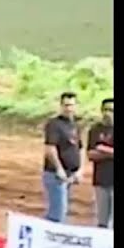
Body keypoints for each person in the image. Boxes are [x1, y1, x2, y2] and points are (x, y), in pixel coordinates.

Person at [42, 92, 83, 223]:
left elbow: (79, 148)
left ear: (76, 106)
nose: (68, 108)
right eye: (66, 105)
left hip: (70, 174)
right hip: (56, 174)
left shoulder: (76, 125)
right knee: (57, 212)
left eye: (71, 105)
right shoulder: (54, 124)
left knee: (63, 210)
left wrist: (80, 169)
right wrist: (59, 168)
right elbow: (50, 148)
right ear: (60, 106)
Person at [86, 97, 114, 228]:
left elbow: (97, 150)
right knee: (102, 220)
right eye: (106, 110)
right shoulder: (95, 130)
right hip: (101, 180)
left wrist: (102, 149)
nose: (109, 113)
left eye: (112, 110)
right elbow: (90, 154)